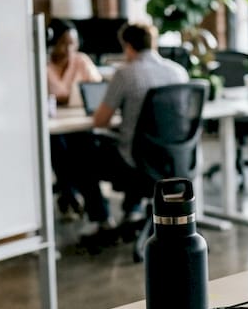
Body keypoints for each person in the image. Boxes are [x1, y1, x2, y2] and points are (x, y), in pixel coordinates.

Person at [76, 21, 188, 236]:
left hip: (138, 164)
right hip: (174, 161)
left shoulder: (125, 74)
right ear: (153, 43)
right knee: (136, 142)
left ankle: (102, 220)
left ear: (127, 46)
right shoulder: (178, 72)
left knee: (82, 153)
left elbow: (100, 121)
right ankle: (132, 211)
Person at [45, 19, 102, 220]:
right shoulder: (42, 63)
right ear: (53, 42)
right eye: (64, 43)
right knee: (58, 146)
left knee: (85, 152)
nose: (69, 48)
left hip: (79, 122)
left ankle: (80, 203)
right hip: (54, 124)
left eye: (73, 43)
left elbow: (96, 90)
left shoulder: (81, 61)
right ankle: (71, 195)